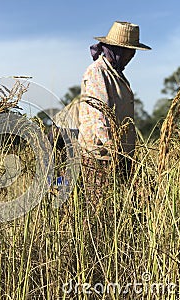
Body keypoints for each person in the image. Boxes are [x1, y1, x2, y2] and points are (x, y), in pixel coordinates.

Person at [77, 21, 151, 201]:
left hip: (120, 156)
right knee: (103, 210)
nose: (132, 56)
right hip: (101, 157)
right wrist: (115, 153)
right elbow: (99, 117)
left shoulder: (117, 74)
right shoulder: (97, 72)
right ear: (117, 50)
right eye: (129, 51)